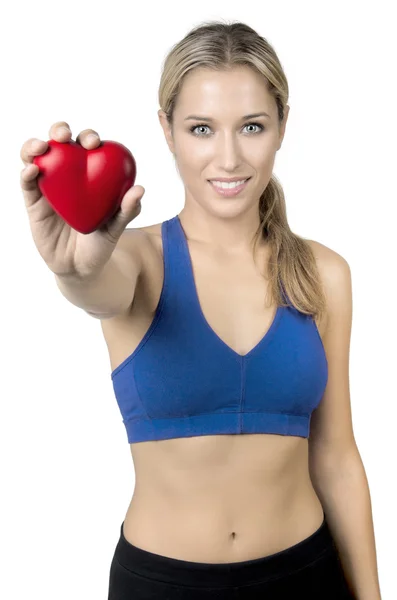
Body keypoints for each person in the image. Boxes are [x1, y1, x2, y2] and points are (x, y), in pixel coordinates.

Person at [20, 20, 380, 600]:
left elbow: (336, 456)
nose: (229, 157)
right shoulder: (134, 259)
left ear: (282, 126)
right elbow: (97, 290)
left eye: (253, 127)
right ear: (167, 130)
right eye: (202, 129)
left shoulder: (324, 274)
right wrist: (72, 267)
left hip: (305, 577)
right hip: (161, 585)